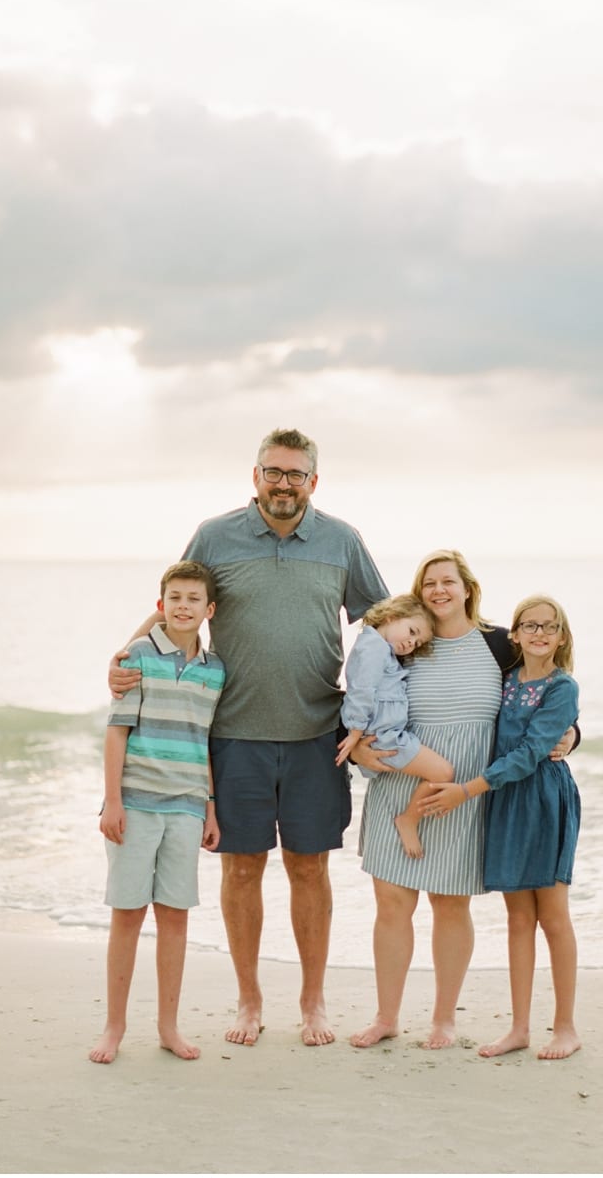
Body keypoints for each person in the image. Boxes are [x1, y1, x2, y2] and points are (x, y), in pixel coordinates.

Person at [109, 428, 387, 1047]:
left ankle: (313, 1002)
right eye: (273, 472)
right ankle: (249, 999)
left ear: (314, 481)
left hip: (318, 732)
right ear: (254, 476)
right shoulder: (216, 535)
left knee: (309, 868)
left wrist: (473, 654)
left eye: (296, 474)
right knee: (241, 870)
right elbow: (175, 601)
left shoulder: (342, 541)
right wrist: (126, 656)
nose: (283, 483)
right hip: (233, 736)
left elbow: (385, 621)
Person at [348, 550, 577, 1051]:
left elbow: (543, 692)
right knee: (391, 903)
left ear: (467, 587)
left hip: (467, 791)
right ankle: (386, 1016)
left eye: (448, 581)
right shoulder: (408, 643)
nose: (439, 591)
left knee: (450, 903)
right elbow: (363, 693)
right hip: (401, 778)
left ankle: (443, 1019)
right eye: (429, 583)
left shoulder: (499, 644)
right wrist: (360, 748)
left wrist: (572, 733)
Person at [420, 594, 582, 1060]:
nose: (538, 633)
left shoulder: (562, 688)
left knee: (552, 916)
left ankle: (566, 1027)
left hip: (544, 799)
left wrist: (467, 790)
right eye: (529, 625)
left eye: (549, 627)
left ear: (562, 637)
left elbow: (532, 751)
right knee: (517, 919)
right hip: (505, 800)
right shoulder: (505, 679)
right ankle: (519, 1028)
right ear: (514, 634)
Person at [90, 561, 226, 1065]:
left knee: (175, 918)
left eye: (194, 599)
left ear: (208, 610)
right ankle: (114, 1027)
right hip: (137, 804)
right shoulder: (138, 659)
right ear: (160, 605)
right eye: (175, 598)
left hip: (187, 809)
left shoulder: (215, 670)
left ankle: (168, 1026)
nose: (184, 606)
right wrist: (114, 801)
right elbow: (116, 732)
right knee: (127, 916)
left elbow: (205, 740)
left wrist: (209, 808)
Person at [336, 593, 453, 859]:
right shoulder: (374, 647)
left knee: (442, 773)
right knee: (443, 773)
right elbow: (361, 690)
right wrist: (354, 732)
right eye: (411, 631)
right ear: (391, 615)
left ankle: (408, 819)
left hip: (389, 735)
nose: (411, 642)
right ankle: (408, 819)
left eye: (417, 641)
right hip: (385, 739)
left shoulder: (379, 647)